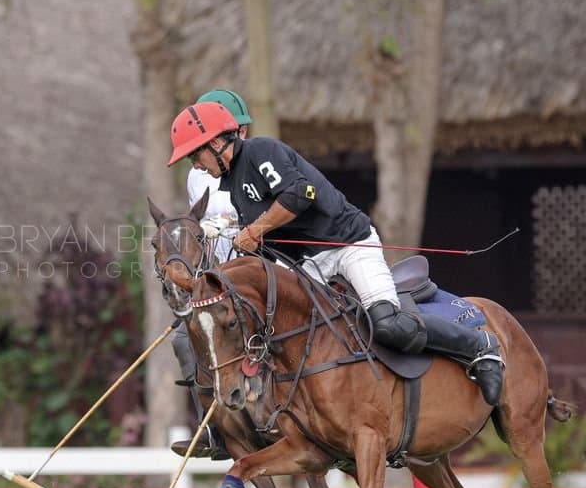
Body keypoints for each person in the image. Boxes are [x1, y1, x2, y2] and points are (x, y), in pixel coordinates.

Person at [165, 101, 504, 406]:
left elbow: (301, 193)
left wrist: (255, 231)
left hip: (348, 245)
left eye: (195, 155)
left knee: (387, 325)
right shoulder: (233, 187)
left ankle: (479, 346)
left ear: (216, 142)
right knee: (282, 334)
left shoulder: (261, 152)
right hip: (309, 264)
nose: (196, 164)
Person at [168, 90, 252, 460]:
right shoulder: (196, 178)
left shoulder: (256, 164)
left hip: (258, 273)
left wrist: (235, 224)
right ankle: (213, 427)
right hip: (218, 280)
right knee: (182, 340)